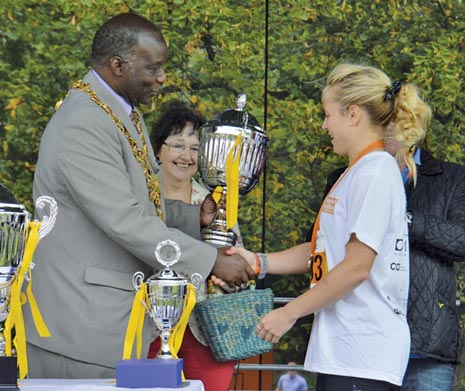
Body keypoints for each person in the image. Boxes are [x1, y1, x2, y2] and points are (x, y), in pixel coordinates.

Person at [23, 12, 253, 379]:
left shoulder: (118, 111)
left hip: (102, 323)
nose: (162, 78)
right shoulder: (85, 122)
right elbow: (124, 220)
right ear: (118, 65)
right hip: (79, 329)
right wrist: (209, 260)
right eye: (153, 68)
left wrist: (195, 218)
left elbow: (139, 203)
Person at [225, 63, 431, 390]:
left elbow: (355, 268)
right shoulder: (358, 171)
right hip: (346, 352)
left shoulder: (374, 172)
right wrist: (259, 261)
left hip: (363, 354)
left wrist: (288, 313)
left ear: (353, 115)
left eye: (327, 114)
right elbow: (325, 249)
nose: (324, 125)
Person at [147, 100, 240, 391]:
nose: (186, 156)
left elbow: (235, 259)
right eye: (177, 145)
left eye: (195, 148)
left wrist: (225, 271)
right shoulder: (137, 197)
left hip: (207, 329)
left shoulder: (216, 200)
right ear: (158, 149)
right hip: (147, 326)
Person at [383, 126, 465, 391]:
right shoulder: (348, 175)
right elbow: (319, 242)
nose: (389, 126)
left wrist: (407, 221)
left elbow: (461, 240)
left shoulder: (452, 176)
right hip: (368, 341)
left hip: (428, 347)